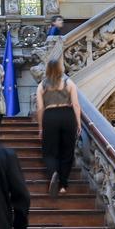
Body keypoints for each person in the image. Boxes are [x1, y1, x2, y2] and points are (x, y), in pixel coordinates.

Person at [34, 56, 81, 197]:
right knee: (67, 151)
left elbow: (40, 108)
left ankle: (53, 172)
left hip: (50, 116)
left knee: (49, 151)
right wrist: (78, 123)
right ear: (61, 69)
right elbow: (76, 105)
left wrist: (41, 127)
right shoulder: (69, 83)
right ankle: (63, 185)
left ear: (47, 70)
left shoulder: (41, 86)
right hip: (67, 116)